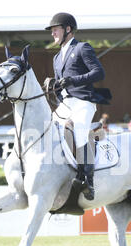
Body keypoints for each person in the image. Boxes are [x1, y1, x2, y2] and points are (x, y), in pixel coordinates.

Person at [45, 12, 107, 201]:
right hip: (65, 104)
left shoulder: (82, 48)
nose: (53, 34)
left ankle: (87, 180)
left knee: (79, 132)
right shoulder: (56, 58)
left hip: (83, 102)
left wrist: (72, 80)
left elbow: (99, 72)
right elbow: (61, 83)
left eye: (56, 30)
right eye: (53, 31)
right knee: (48, 131)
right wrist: (54, 85)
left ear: (68, 29)